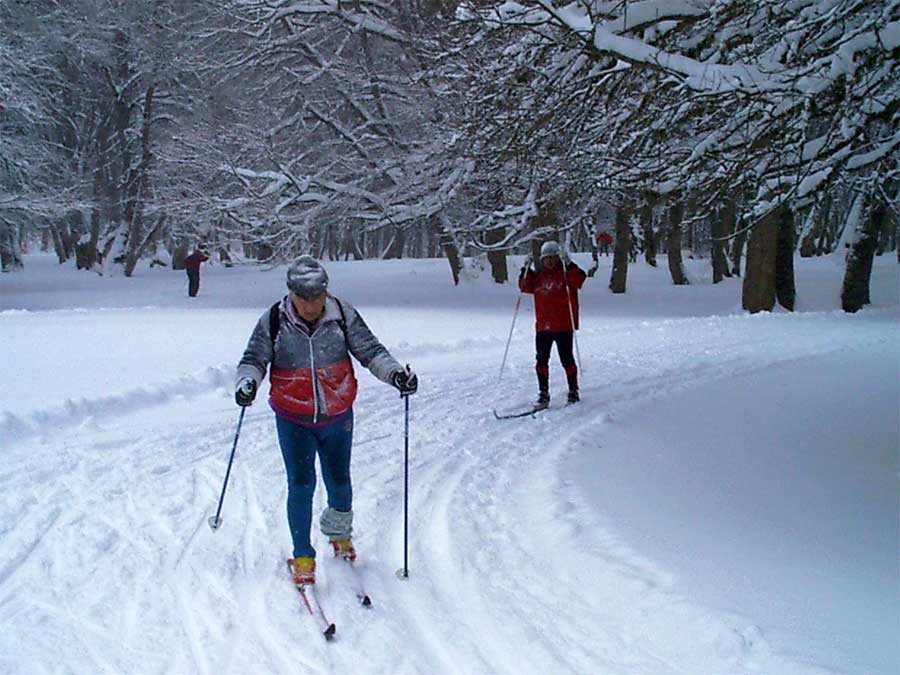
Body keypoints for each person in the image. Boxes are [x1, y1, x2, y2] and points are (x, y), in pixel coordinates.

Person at [234, 255, 418, 586]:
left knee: (339, 481)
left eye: (316, 297)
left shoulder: (342, 315)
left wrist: (395, 374)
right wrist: (247, 383)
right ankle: (303, 554)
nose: (310, 305)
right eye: (304, 299)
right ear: (292, 294)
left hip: (337, 414)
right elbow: (253, 359)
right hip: (293, 417)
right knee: (301, 485)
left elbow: (370, 350)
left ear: (325, 292)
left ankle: (339, 535)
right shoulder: (274, 320)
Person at [518, 241, 587, 408]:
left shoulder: (566, 273)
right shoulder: (538, 277)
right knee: (541, 360)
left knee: (567, 359)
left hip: (563, 325)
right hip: (543, 326)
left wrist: (569, 264)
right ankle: (543, 394)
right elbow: (524, 286)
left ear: (558, 258)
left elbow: (579, 279)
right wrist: (525, 269)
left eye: (553, 258)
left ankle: (573, 391)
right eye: (546, 258)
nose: (549, 261)